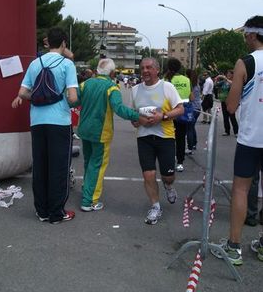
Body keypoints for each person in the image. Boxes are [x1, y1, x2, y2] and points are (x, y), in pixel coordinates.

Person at [12, 27, 78, 224]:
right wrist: (66, 101)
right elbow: (73, 97)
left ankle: (41, 211)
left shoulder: (34, 63)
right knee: (59, 167)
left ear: (48, 42)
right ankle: (57, 213)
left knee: (40, 166)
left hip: (37, 121)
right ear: (64, 43)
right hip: (59, 122)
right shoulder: (67, 64)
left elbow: (23, 93)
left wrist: (40, 98)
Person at [211, 15, 263, 264]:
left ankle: (234, 247)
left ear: (253, 35)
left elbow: (230, 106)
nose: (244, 38)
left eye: (245, 34)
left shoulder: (246, 62)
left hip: (251, 138)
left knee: (241, 189)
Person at [75, 58, 151, 212]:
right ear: (112, 73)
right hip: (101, 133)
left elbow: (71, 101)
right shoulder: (112, 88)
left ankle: (87, 188)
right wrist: (138, 116)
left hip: (84, 130)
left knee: (89, 161)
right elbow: (120, 109)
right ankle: (89, 201)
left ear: (97, 71)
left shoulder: (85, 84)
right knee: (97, 165)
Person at [131, 57, 184, 225]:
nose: (145, 71)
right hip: (144, 137)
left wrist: (164, 116)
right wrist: (138, 121)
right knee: (148, 174)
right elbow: (133, 117)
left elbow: (181, 109)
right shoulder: (134, 90)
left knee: (167, 176)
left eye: (148, 67)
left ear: (156, 70)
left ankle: (168, 186)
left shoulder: (167, 87)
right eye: (142, 68)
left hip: (165, 137)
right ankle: (155, 206)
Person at [164, 58, 192, 172]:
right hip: (183, 112)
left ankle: (170, 159)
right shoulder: (186, 79)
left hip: (170, 112)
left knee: (168, 137)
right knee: (181, 138)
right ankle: (180, 162)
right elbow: (189, 96)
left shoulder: (166, 79)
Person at [215, 70, 239, 136]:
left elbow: (233, 84)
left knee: (232, 116)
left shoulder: (234, 81)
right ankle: (227, 131)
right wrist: (217, 79)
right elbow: (216, 85)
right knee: (225, 117)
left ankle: (236, 131)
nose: (228, 75)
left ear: (232, 75)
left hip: (230, 102)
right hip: (223, 101)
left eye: (229, 74)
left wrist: (225, 78)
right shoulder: (223, 82)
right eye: (227, 74)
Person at [186, 69, 201, 154]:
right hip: (198, 108)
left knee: (189, 128)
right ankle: (194, 143)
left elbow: (190, 98)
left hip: (192, 109)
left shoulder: (190, 85)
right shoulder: (197, 84)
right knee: (192, 127)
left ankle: (190, 147)